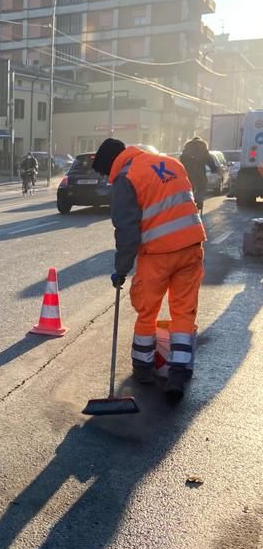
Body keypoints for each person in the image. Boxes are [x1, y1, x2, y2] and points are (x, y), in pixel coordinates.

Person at [92, 138, 206, 402]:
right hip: (192, 246)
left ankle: (143, 368)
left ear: (111, 164)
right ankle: (179, 371)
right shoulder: (171, 162)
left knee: (147, 310)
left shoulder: (127, 177)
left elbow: (127, 230)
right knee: (184, 311)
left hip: (158, 254)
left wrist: (121, 269)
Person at [179, 136, 213, 211]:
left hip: (188, 172)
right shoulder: (203, 146)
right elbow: (209, 159)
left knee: (189, 187)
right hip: (200, 171)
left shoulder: (187, 146)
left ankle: (189, 202)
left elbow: (182, 158)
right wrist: (214, 169)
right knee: (202, 186)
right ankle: (199, 200)